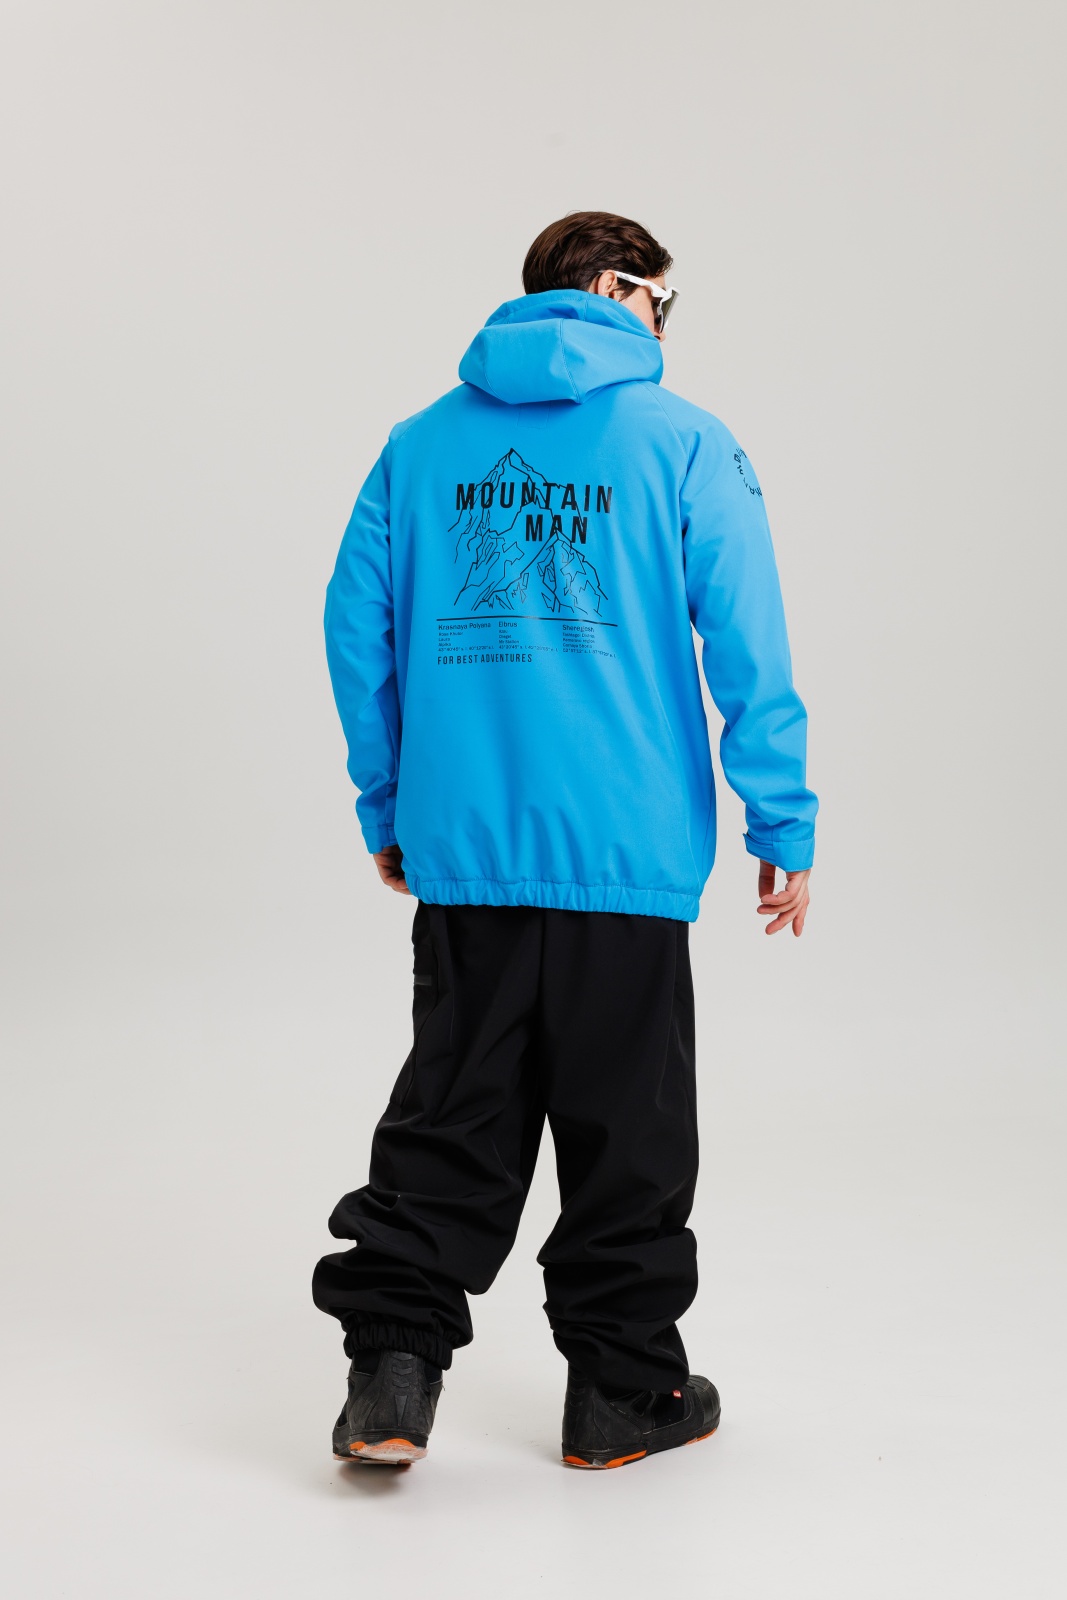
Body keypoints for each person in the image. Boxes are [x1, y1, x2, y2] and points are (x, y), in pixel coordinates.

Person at [313, 211, 818, 1470]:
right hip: (625, 849)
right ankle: (620, 1394)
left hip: (468, 843)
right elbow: (747, 639)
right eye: (662, 297)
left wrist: (389, 804)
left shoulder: (419, 444)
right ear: (611, 287)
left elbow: (356, 630)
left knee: (453, 1106)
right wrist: (780, 816)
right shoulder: (683, 441)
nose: (665, 321)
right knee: (625, 1128)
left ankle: (390, 1377)